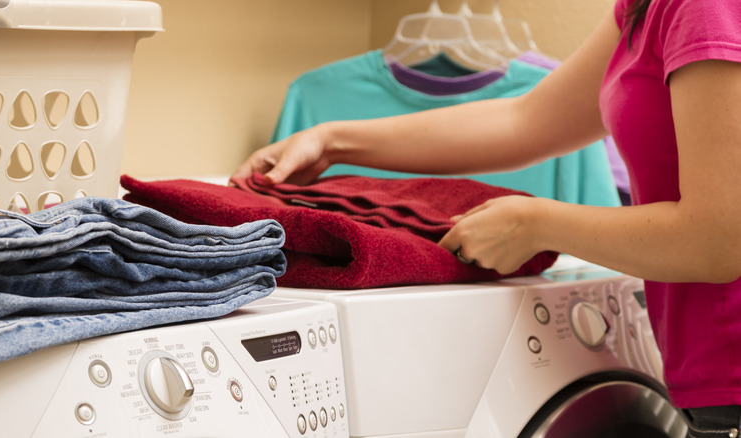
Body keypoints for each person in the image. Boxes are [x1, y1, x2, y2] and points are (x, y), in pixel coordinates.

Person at [231, 0, 741, 435]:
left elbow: (719, 238)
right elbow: (525, 120)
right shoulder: (645, 8)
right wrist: (332, 140)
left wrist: (538, 224)